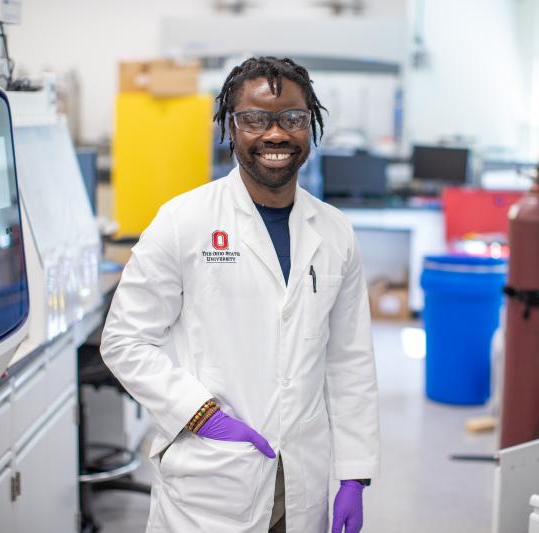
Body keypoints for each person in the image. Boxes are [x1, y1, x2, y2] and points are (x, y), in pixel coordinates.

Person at [101, 56, 379, 533]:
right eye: (254, 119)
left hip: (300, 478)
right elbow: (125, 340)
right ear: (230, 128)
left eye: (292, 118)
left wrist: (353, 475)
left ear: (310, 126)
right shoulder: (183, 221)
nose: (275, 134)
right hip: (212, 477)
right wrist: (202, 415)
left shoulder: (335, 233)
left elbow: (349, 360)